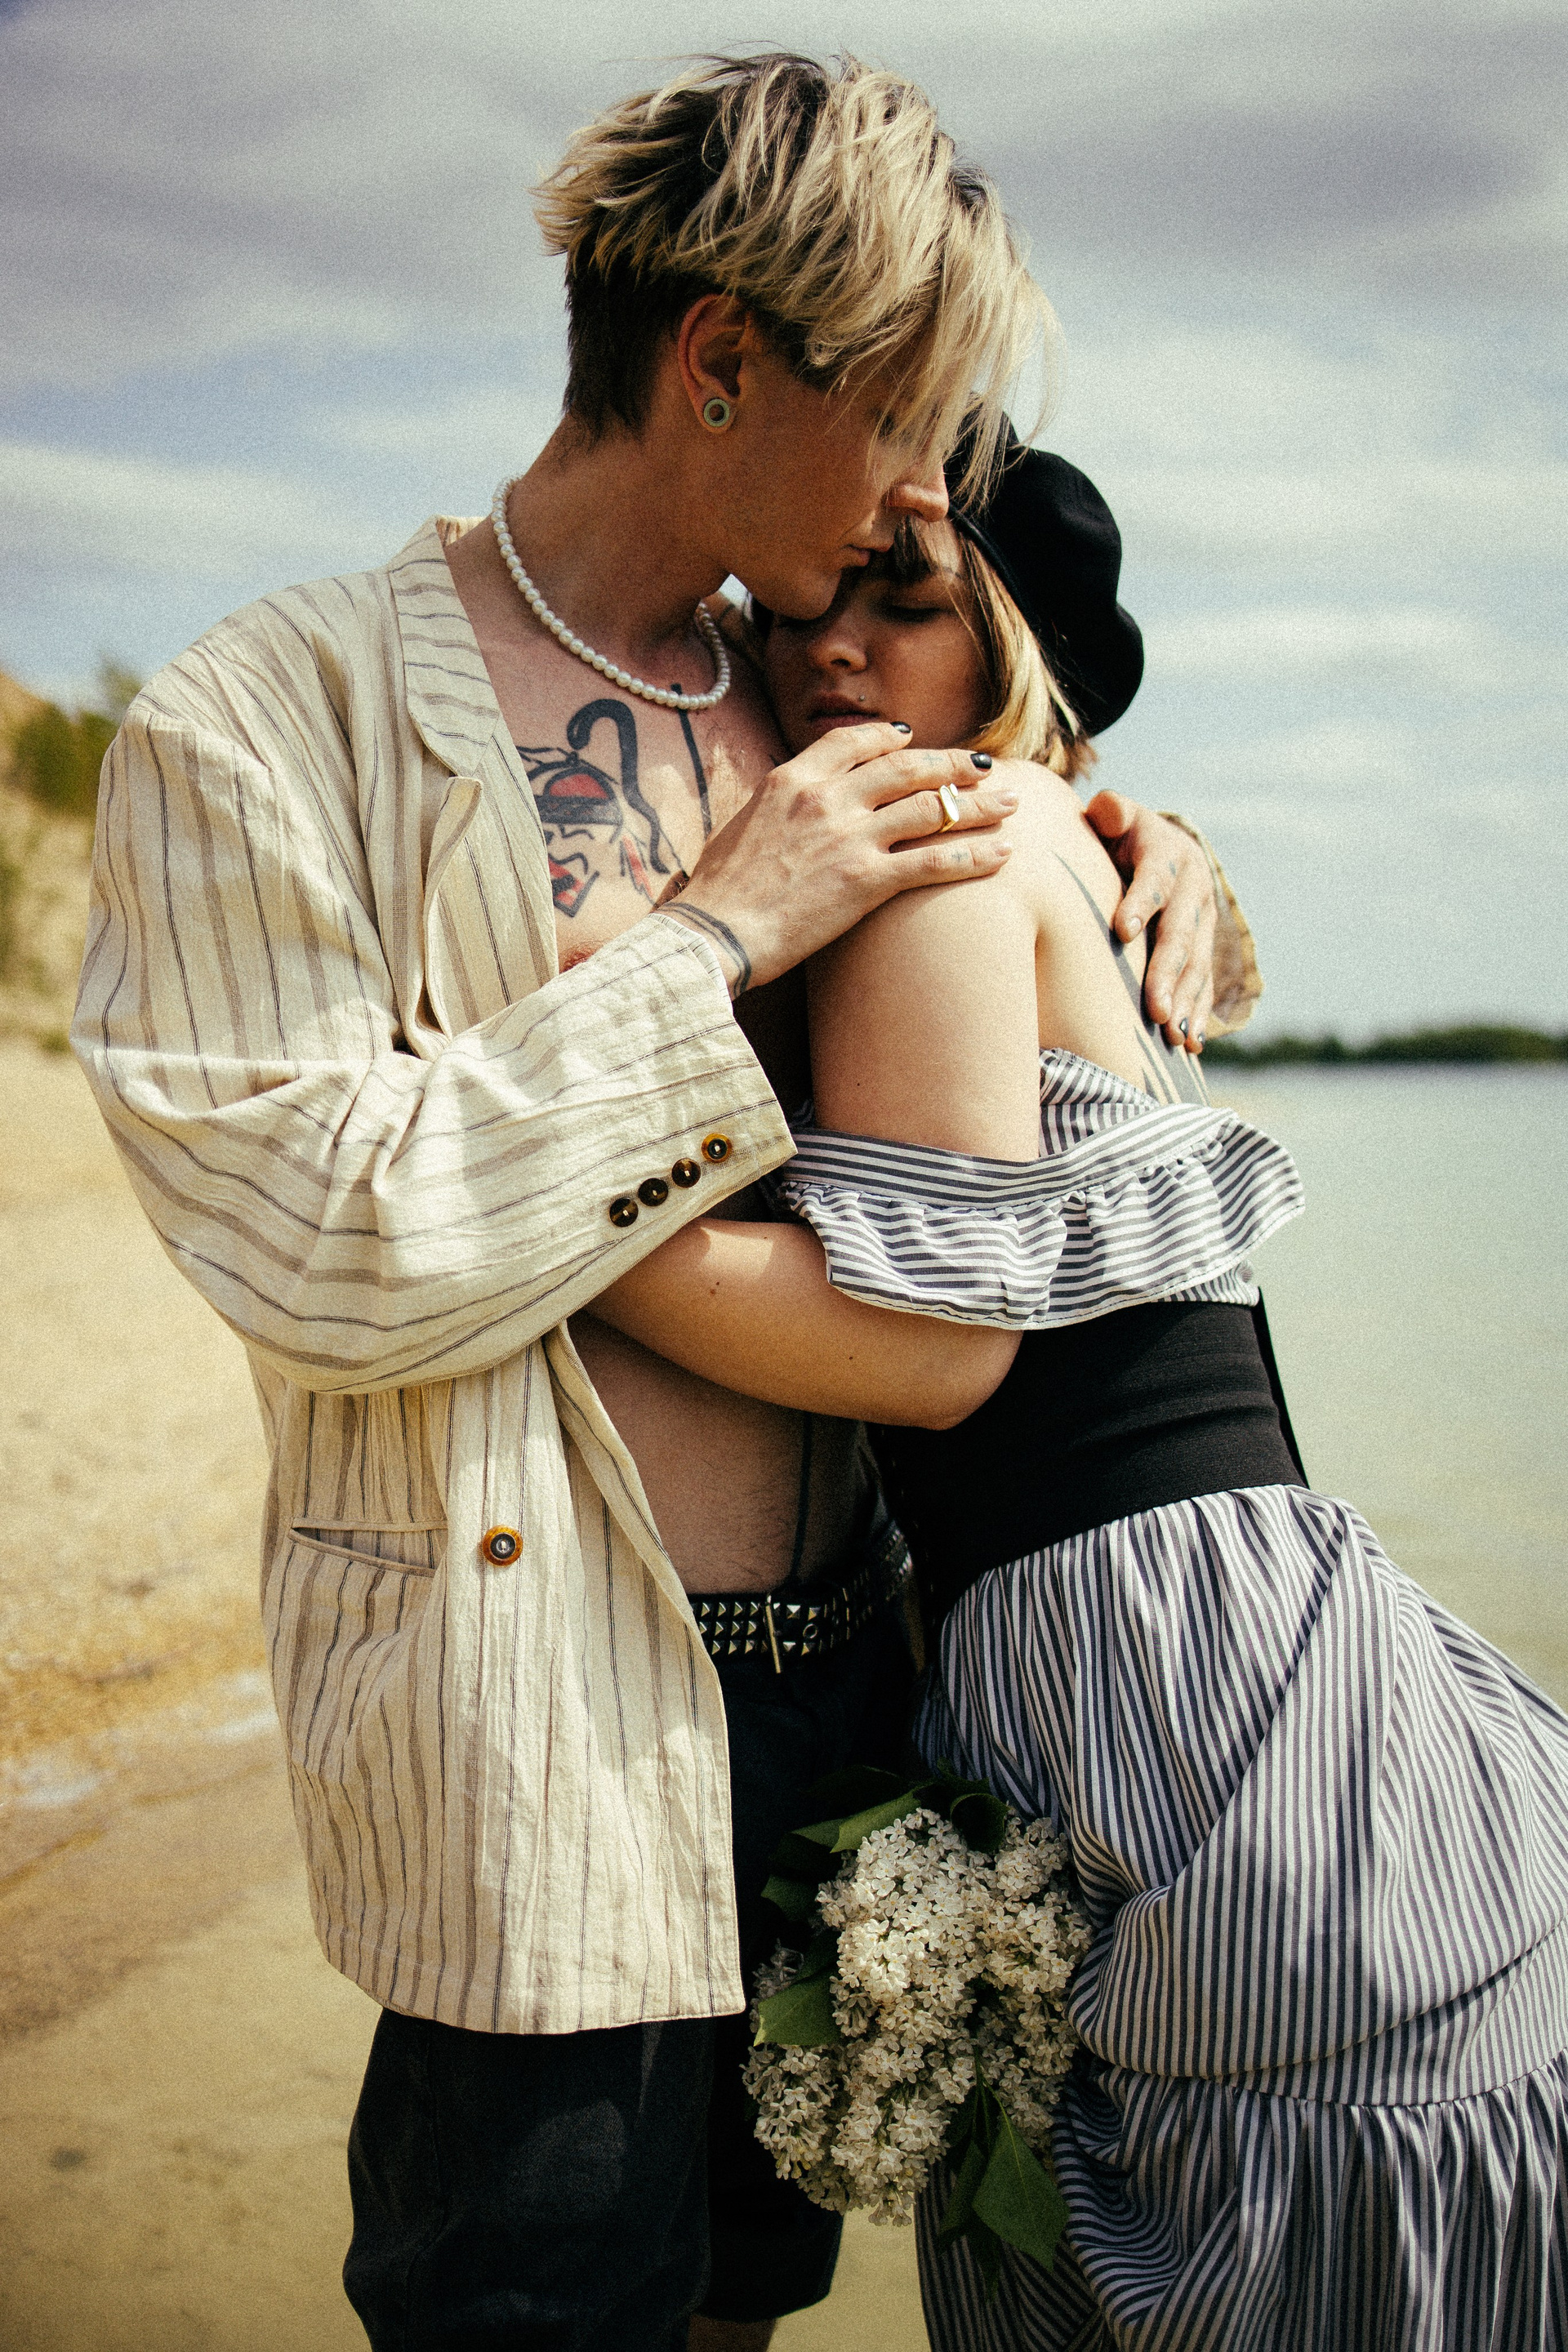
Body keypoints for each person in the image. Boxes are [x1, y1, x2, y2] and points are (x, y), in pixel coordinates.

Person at [71, 56, 1243, 2352]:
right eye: (901, 416)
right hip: (527, 1721)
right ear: (719, 360)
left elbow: (1006, 969)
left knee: (748, 2307)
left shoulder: (820, 688)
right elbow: (316, 1243)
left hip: (864, 1718)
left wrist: (1148, 841)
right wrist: (713, 934)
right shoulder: (261, 724)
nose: (925, 490)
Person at [591, 428, 1568, 2350]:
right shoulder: (1045, 831)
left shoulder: (945, 844)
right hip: (1233, 1633)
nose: (830, 644)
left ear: (1015, 648)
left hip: (1148, 1660)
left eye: (905, 599)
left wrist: (548, 1213)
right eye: (805, 600)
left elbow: (928, 1358)